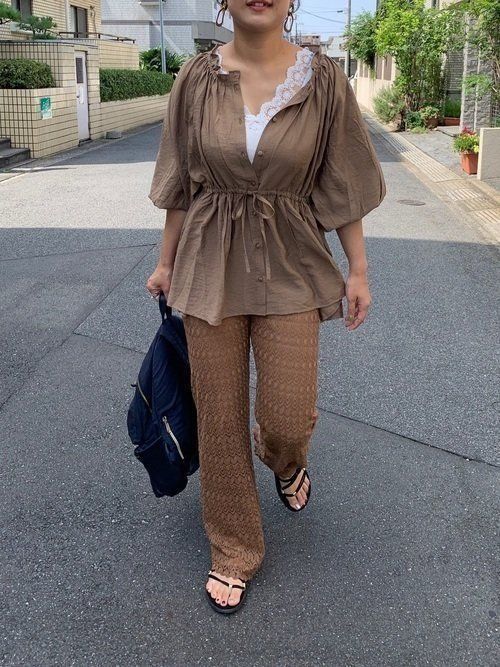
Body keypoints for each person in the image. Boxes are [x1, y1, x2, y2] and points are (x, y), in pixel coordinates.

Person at [146, 0, 387, 614]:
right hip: (209, 260)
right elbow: (181, 183)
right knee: (219, 417)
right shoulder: (195, 79)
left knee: (286, 417)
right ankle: (233, 548)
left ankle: (284, 460)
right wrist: (165, 262)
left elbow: (342, 178)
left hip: (291, 260)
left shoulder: (323, 80)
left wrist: (357, 268)